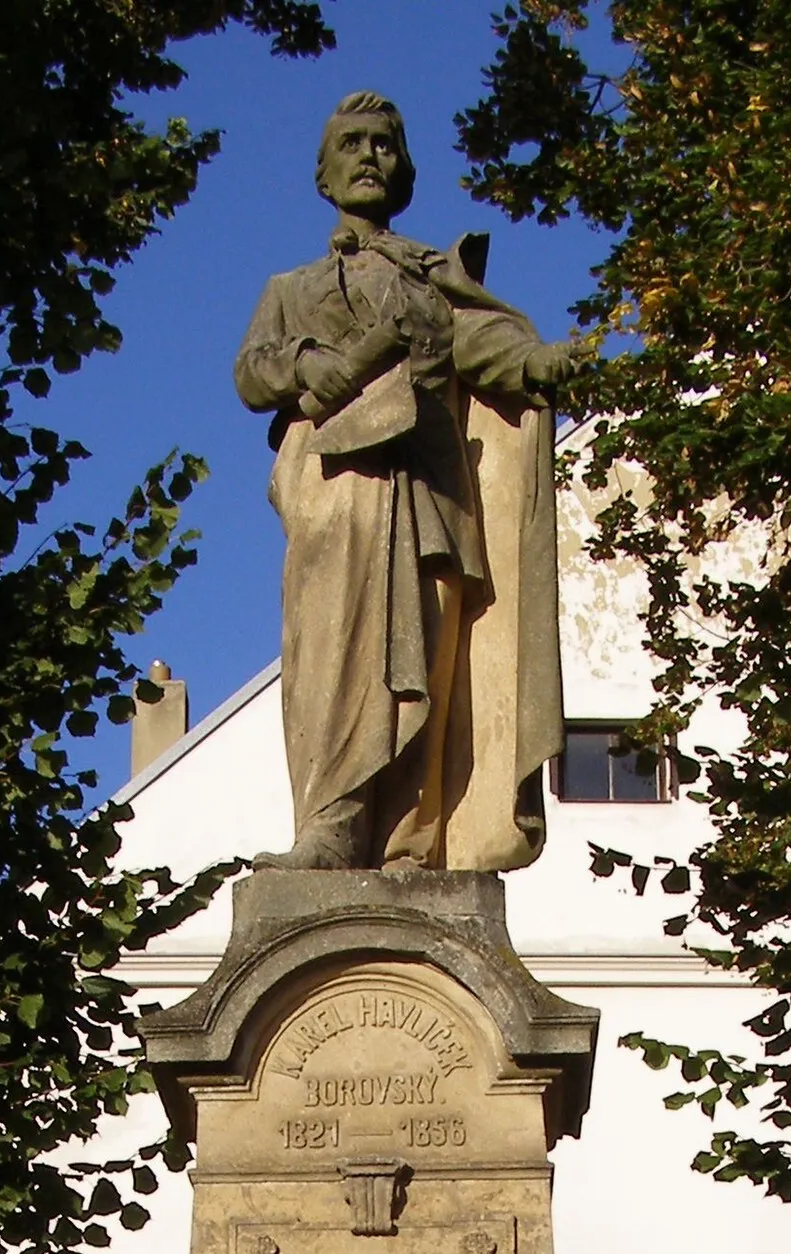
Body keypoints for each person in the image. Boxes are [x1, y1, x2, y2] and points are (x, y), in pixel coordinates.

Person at [234, 92, 579, 872]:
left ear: (405, 169)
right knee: (333, 656)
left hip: (427, 494)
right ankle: (331, 823)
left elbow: (488, 344)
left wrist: (538, 363)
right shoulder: (291, 289)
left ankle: (410, 840)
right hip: (335, 489)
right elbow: (252, 372)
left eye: (384, 144)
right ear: (325, 173)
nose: (368, 156)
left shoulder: (431, 281)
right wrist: (304, 365)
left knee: (429, 662)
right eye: (351, 144)